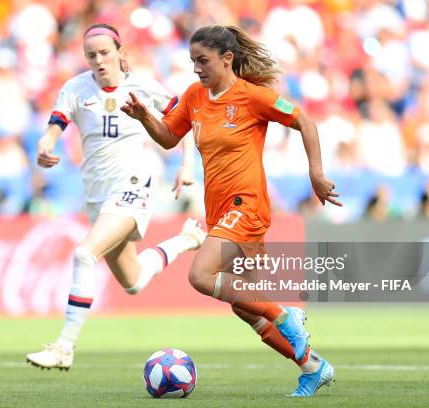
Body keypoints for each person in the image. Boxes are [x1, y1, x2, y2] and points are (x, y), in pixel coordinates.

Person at [122, 25, 342, 397]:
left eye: (203, 61)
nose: (196, 69)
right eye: (192, 61)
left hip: (247, 206)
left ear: (227, 59)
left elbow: (305, 121)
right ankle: (312, 366)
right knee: (247, 306)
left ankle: (285, 316)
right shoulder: (194, 96)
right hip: (220, 210)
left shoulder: (252, 97)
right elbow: (169, 137)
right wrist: (145, 117)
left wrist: (316, 174)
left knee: (201, 276)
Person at [26, 23, 205, 371]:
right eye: (91, 55)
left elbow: (185, 120)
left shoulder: (143, 86)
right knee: (134, 281)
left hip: (133, 186)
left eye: (105, 52)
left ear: (121, 53)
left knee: (84, 253)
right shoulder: (76, 88)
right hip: (97, 196)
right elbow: (55, 126)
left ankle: (64, 347)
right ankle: (187, 239)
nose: (98, 60)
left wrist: (187, 165)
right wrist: (46, 144)